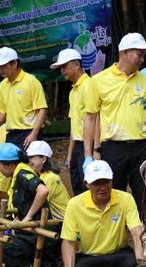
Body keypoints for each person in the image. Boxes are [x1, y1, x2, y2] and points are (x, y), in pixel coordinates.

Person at [87, 32, 146, 206]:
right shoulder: (99, 80)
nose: (142, 59)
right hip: (113, 148)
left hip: (142, 147)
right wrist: (92, 152)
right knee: (114, 196)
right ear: (124, 53)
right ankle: (118, 232)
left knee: (145, 194)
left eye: (144, 55)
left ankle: (144, 231)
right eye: (139, 54)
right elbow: (91, 118)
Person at [60, 160, 144, 267]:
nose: (103, 187)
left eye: (106, 181)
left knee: (131, 263)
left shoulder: (125, 199)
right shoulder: (75, 204)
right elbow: (68, 241)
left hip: (118, 253)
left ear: (112, 180)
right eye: (96, 183)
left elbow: (137, 233)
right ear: (87, 184)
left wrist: (141, 265)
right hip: (90, 257)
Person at [0, 143, 55, 267]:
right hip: (25, 231)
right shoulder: (17, 176)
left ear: (8, 164)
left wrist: (28, 216)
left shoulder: (23, 174)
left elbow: (43, 191)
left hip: (34, 232)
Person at [50, 49, 93, 195]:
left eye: (65, 66)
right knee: (77, 186)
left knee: (88, 185)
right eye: (61, 67)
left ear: (77, 64)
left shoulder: (88, 85)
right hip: (77, 146)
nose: (62, 70)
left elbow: (94, 118)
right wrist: (69, 154)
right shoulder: (73, 91)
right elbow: (74, 125)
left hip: (89, 144)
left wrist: (91, 152)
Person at [0, 47, 48, 150]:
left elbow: (42, 109)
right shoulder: (3, 85)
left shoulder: (31, 81)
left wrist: (34, 133)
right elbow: (2, 113)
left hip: (29, 131)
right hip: (12, 134)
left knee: (31, 164)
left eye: (3, 66)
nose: (0, 70)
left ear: (14, 63)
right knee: (12, 164)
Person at [26, 140, 70, 220]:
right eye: (28, 157)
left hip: (61, 222)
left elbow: (40, 202)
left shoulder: (50, 177)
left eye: (32, 157)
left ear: (43, 159)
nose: (29, 160)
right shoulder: (43, 175)